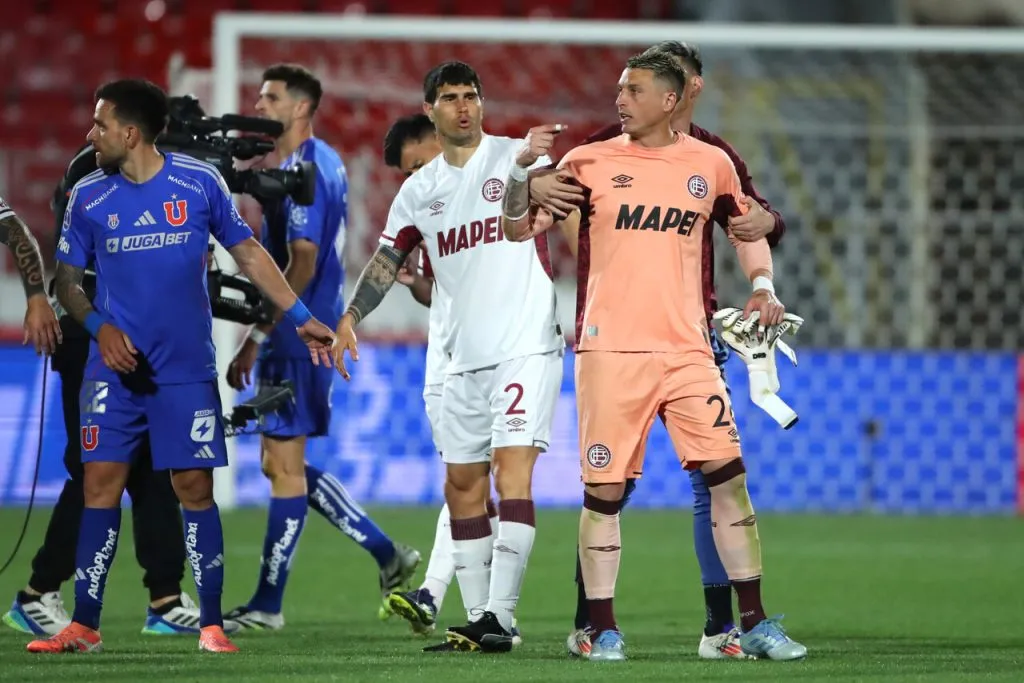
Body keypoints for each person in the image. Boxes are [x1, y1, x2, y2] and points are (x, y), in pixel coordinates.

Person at [501, 51, 806, 662]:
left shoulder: (712, 162)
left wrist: (763, 287)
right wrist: (519, 177)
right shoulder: (587, 160)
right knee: (606, 492)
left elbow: (750, 227)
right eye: (620, 89)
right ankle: (599, 628)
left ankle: (749, 623)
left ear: (672, 99)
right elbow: (515, 228)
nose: (620, 99)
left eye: (633, 90)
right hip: (610, 351)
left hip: (689, 350)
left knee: (727, 480)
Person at [26, 78, 335, 655]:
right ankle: (85, 624)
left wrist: (299, 316)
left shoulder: (198, 183)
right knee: (98, 484)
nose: (90, 135)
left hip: (185, 371)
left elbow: (248, 253)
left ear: (130, 133)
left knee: (193, 488)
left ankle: (210, 624)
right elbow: (66, 282)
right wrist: (100, 328)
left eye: (100, 125)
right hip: (111, 370)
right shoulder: (88, 195)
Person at [333, 61, 562, 653]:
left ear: (481, 103)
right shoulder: (418, 190)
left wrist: (542, 184)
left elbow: (555, 198)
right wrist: (351, 316)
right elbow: (388, 260)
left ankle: (502, 618)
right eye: (451, 98)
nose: (463, 106)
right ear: (430, 110)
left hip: (525, 345)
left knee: (512, 473)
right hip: (461, 354)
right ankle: (480, 617)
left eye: (471, 96)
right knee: (462, 484)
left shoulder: (515, 156)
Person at [223, 63, 419, 631]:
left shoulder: (306, 167)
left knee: (283, 467)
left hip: (298, 333)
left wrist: (260, 333)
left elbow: (303, 260)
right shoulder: (310, 163)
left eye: (271, 97)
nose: (259, 105)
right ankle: (386, 552)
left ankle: (268, 605)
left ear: (302, 108)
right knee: (278, 462)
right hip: (302, 328)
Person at [3, 144, 210, 639]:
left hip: (124, 329)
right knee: (97, 467)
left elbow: (17, 229)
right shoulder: (98, 170)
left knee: (151, 462)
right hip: (91, 331)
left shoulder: (117, 170)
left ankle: (164, 596)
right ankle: (38, 591)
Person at [377, 115, 512, 641]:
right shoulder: (426, 208)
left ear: (439, 138)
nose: (415, 179)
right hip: (446, 363)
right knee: (469, 483)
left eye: (419, 164)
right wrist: (417, 284)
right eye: (407, 173)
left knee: (473, 482)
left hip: (497, 356)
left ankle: (444, 598)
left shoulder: (492, 186)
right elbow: (442, 294)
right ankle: (486, 613)